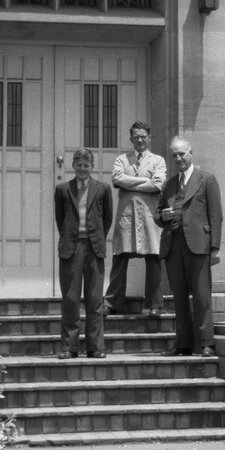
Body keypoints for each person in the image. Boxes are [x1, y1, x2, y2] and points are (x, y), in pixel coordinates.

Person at [154, 136, 223, 357]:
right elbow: (158, 215)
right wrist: (163, 216)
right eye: (174, 155)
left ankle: (205, 343)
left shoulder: (207, 179)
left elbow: (216, 216)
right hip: (174, 246)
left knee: (202, 296)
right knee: (179, 297)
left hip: (199, 246)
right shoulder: (169, 184)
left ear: (191, 153)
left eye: (182, 153)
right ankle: (182, 343)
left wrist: (214, 248)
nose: (178, 158)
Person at [54, 148, 113, 359]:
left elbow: (107, 219)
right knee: (70, 299)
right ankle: (69, 347)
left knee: (95, 299)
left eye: (86, 165)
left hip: (94, 248)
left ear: (92, 167)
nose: (82, 169)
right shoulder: (62, 189)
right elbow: (60, 220)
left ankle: (95, 347)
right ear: (73, 165)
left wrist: (95, 237)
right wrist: (73, 237)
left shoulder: (103, 189)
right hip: (71, 248)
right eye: (79, 165)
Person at [104, 121, 167, 317]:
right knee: (120, 256)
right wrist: (144, 182)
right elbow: (117, 179)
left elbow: (158, 184)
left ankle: (155, 304)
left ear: (148, 138)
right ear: (131, 138)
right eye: (136, 136)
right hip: (127, 214)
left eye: (143, 136)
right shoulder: (122, 159)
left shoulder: (158, 160)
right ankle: (113, 301)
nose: (140, 140)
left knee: (153, 256)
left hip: (149, 215)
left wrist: (129, 184)